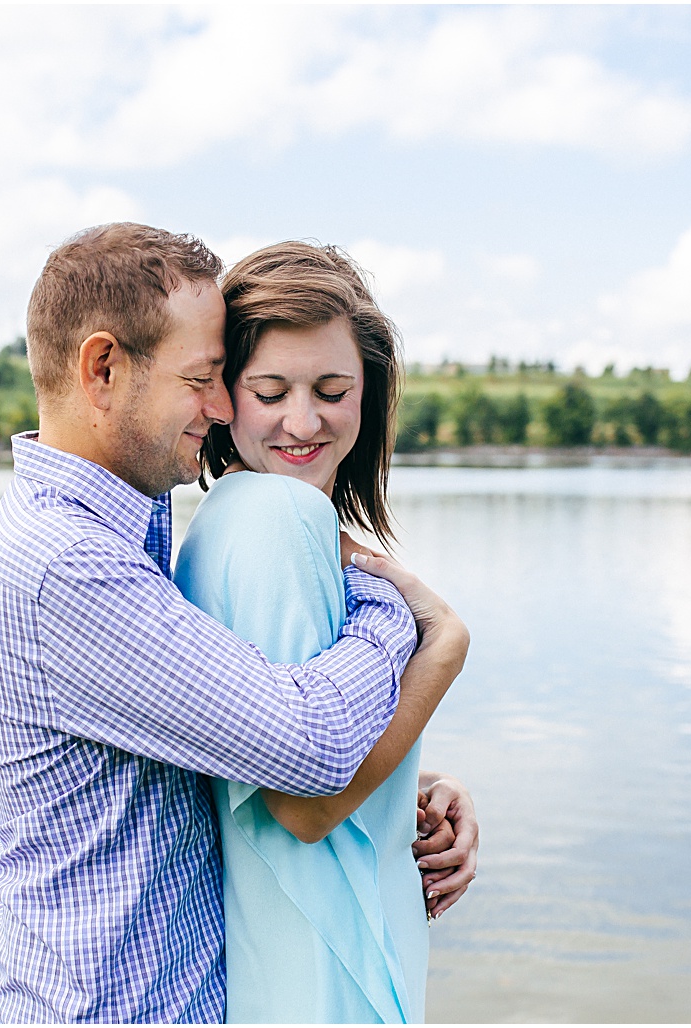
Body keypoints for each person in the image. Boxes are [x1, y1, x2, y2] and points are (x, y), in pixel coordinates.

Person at [0, 223, 474, 1023]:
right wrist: (416, 627)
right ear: (103, 369)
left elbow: (224, 724)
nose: (218, 405)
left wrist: (412, 779)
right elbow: (307, 756)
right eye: (208, 378)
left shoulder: (130, 522)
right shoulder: (69, 564)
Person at [174, 242, 472, 1023]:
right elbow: (302, 804)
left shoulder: (224, 522)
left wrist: (417, 783)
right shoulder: (279, 515)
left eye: (333, 389)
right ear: (221, 396)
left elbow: (299, 743)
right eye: (269, 390)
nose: (302, 421)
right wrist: (442, 650)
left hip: (289, 967)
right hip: (325, 979)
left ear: (369, 394)